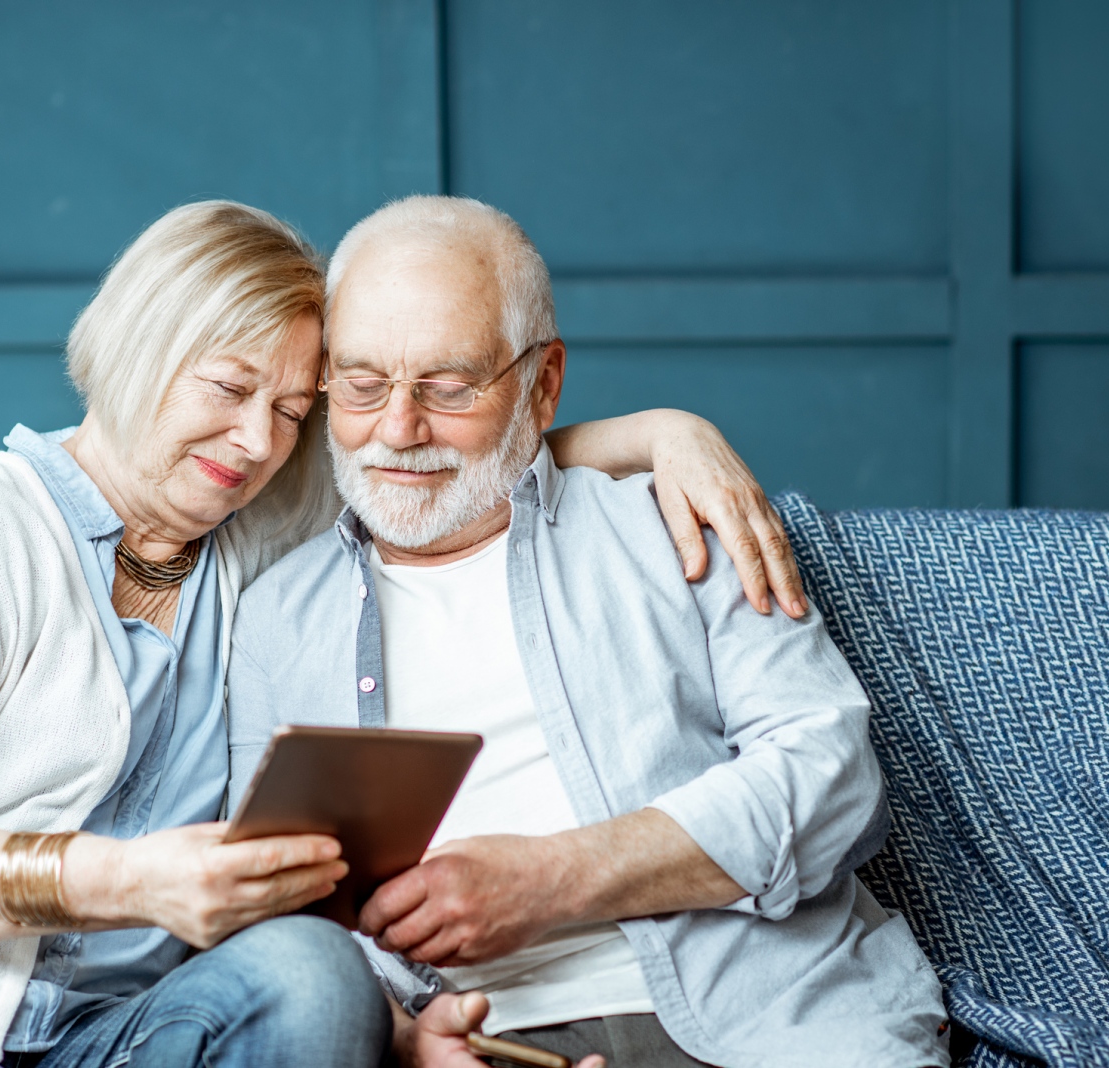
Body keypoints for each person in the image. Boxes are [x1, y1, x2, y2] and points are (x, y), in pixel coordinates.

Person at [0, 200, 803, 1068]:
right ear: (135, 348)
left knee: (315, 974)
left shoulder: (248, 533)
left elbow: (443, 456)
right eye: (226, 387)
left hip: (105, 1035)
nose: (259, 439)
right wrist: (123, 882)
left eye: (296, 410)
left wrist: (666, 433)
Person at [226, 196, 949, 1068]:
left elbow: (831, 776)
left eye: (450, 388)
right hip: (478, 1044)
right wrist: (402, 1035)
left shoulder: (675, 523)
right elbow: (274, 908)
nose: (398, 430)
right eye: (363, 382)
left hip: (770, 1017)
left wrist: (555, 877)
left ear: (543, 384)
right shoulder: (275, 617)